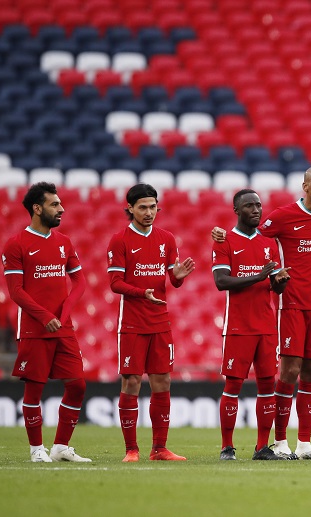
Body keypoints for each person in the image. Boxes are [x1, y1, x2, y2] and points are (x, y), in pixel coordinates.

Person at [213, 166, 311, 459]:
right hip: (290, 305)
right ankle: (278, 442)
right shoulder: (280, 217)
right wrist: (221, 233)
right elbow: (248, 233)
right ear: (304, 186)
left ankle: (304, 444)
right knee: (289, 372)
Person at [2, 182, 92, 463]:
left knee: (77, 385)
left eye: (60, 203)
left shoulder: (64, 242)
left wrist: (63, 314)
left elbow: (79, 281)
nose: (61, 208)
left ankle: (61, 446)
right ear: (37, 208)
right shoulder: (16, 244)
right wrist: (45, 317)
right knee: (35, 388)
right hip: (34, 328)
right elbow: (16, 290)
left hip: (62, 326)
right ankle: (36, 450)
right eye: (55, 204)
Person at [107, 183, 195, 462]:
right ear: (130, 209)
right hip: (132, 322)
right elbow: (115, 283)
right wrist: (140, 292)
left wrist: (178, 276)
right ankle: (131, 449)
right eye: (142, 207)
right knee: (131, 381)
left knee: (162, 380)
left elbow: (173, 281)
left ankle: (159, 448)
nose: (148, 212)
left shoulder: (166, 238)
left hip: (160, 321)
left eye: (152, 207)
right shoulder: (119, 240)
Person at [212, 189, 291, 461]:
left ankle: (261, 447)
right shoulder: (224, 241)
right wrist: (259, 276)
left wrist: (279, 283)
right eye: (249, 206)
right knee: (233, 385)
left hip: (267, 325)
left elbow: (272, 286)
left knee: (268, 385)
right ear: (237, 210)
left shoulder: (268, 243)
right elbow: (222, 282)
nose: (256, 210)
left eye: (258, 205)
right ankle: (227, 447)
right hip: (238, 325)